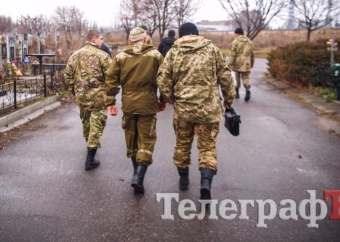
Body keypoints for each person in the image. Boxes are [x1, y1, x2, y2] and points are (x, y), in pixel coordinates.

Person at [157, 22, 236, 201]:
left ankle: (184, 180)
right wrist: (228, 100)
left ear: (181, 35)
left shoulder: (173, 52)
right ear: (197, 34)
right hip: (208, 111)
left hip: (183, 110)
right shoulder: (212, 50)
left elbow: (162, 79)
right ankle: (205, 184)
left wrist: (170, 99)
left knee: (182, 145)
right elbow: (226, 77)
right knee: (207, 147)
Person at [106, 27, 166, 193]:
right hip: (148, 104)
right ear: (145, 39)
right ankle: (139, 175)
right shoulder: (155, 56)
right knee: (146, 139)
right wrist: (163, 99)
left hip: (129, 104)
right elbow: (165, 80)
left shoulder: (120, 57)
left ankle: (135, 173)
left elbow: (111, 80)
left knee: (131, 138)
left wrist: (111, 101)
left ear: (130, 40)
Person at [64, 29, 112, 170]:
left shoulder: (75, 55)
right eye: (101, 38)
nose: (102, 41)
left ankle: (89, 150)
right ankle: (90, 160)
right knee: (96, 126)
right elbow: (111, 77)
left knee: (86, 124)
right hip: (98, 98)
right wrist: (110, 95)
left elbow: (67, 75)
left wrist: (75, 90)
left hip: (82, 97)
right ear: (94, 39)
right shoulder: (103, 56)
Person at [229, 28, 255, 101]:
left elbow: (232, 54)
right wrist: (252, 62)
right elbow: (252, 54)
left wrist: (230, 64)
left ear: (237, 33)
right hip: (246, 63)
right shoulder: (249, 41)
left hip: (237, 63)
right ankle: (247, 89)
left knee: (237, 79)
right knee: (246, 77)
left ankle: (237, 94)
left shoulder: (235, 42)